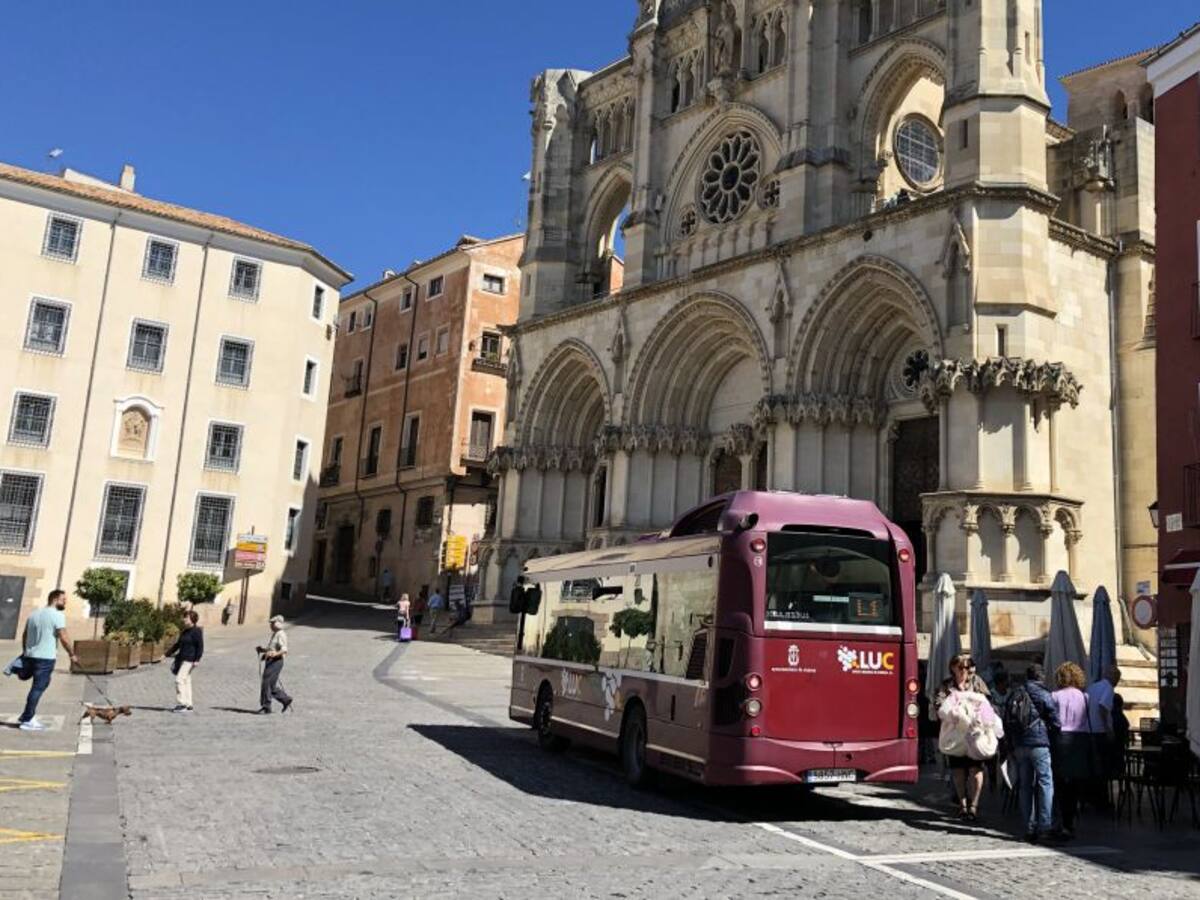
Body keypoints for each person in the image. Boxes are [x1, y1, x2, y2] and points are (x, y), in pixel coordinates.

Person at [1005, 663, 1061, 843]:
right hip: (1039, 744)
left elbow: (1007, 718)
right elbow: (1056, 720)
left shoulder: (1015, 693)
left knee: (1025, 786)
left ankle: (1029, 827)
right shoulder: (1044, 693)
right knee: (1045, 782)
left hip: (1020, 744)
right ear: (1041, 677)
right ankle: (1044, 826)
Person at [935, 653, 992, 821]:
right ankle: (963, 805)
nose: (965, 671)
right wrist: (953, 713)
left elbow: (989, 704)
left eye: (967, 667)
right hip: (954, 736)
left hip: (975, 735)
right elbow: (939, 706)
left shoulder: (977, 682)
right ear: (953, 667)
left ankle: (973, 806)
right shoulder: (947, 686)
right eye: (961, 667)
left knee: (976, 770)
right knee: (958, 771)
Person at [12, 590, 78, 731]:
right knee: (37, 688)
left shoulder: (34, 614)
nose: (65, 602)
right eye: (63, 599)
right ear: (54, 599)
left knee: (41, 685)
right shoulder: (57, 615)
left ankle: (27, 716)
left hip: (30, 656)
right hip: (45, 658)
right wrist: (72, 654)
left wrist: (26, 651)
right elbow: (63, 636)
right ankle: (27, 719)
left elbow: (25, 635)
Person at [1050, 661, 1093, 838]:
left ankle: (1061, 820)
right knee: (1075, 784)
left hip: (1060, 739)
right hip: (1080, 740)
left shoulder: (1054, 696)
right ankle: (1071, 820)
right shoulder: (1085, 697)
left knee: (1059, 782)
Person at [1087, 664, 1122, 783]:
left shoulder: (1092, 687)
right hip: (1100, 732)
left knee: (1093, 766)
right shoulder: (1108, 688)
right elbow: (1102, 707)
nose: (1117, 681)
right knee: (1103, 766)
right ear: (1113, 678)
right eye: (1117, 678)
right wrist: (1108, 729)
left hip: (1089, 730)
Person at [165, 611, 204, 713]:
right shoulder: (185, 631)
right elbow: (177, 645)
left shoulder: (197, 631)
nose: (184, 619)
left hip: (190, 660)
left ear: (192, 619)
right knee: (186, 681)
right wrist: (166, 654)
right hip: (182, 659)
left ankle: (181, 704)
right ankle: (188, 704)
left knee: (179, 680)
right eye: (184, 617)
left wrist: (197, 659)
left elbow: (200, 647)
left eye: (186, 618)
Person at [257, 616, 293, 715]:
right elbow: (272, 649)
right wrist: (263, 650)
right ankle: (285, 699)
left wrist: (275, 654)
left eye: (272, 623)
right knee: (271, 685)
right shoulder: (275, 634)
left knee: (266, 683)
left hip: (276, 661)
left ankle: (266, 706)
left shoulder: (281, 634)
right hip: (272, 661)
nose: (271, 625)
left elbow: (284, 649)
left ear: (278, 623)